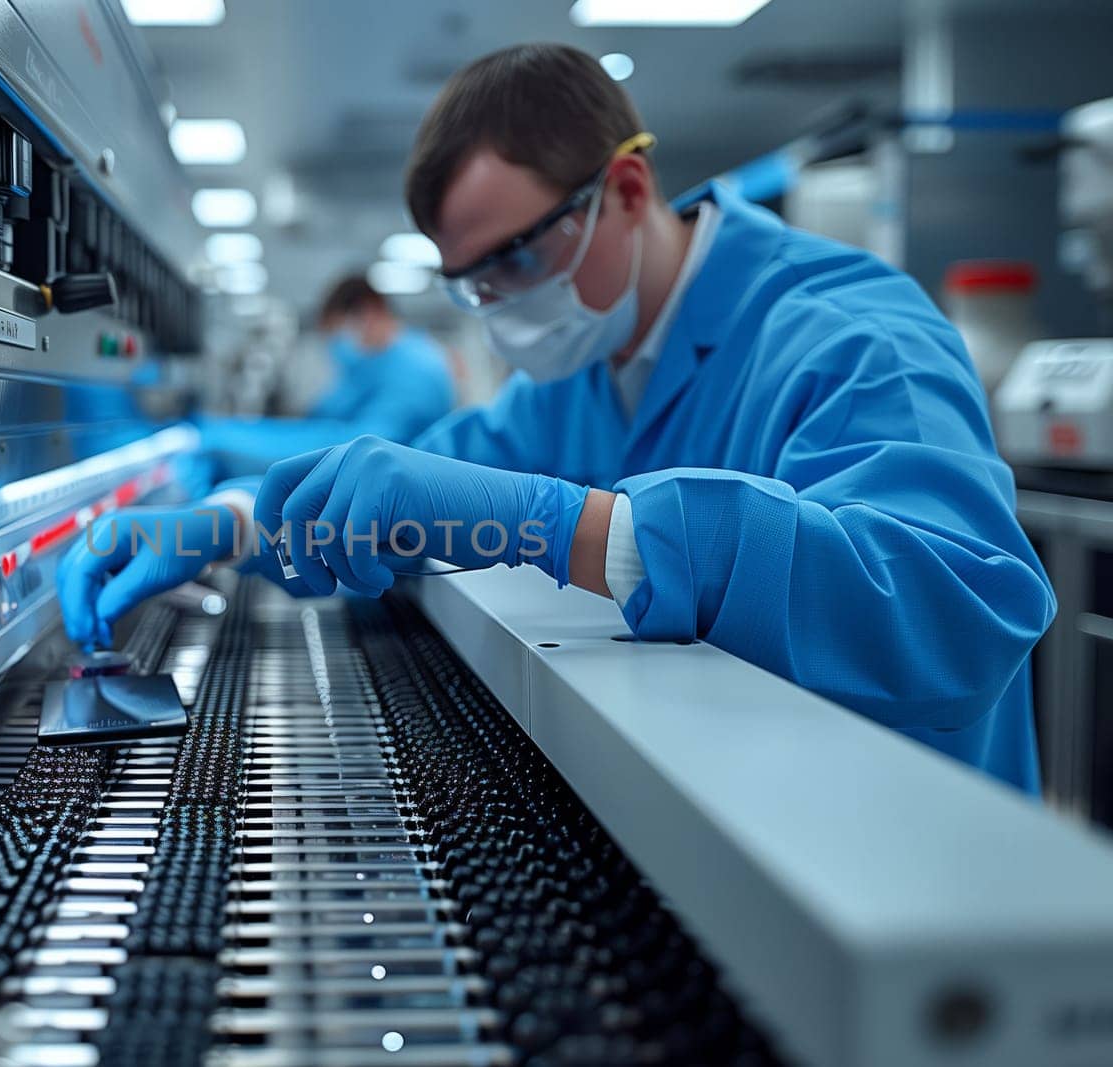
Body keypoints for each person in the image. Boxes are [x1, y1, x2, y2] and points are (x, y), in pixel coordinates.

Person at [59, 44, 1053, 792]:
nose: (497, 311)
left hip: (893, 864)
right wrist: (232, 519)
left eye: (515, 263)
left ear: (623, 189)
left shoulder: (846, 331)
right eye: (470, 285)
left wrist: (558, 524)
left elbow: (957, 603)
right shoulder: (578, 375)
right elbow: (412, 479)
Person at [189, 274, 455, 485]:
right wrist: (236, 430)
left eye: (338, 333)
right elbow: (321, 419)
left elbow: (357, 450)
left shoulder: (418, 372)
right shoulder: (370, 365)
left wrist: (227, 441)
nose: (336, 348)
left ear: (368, 314)